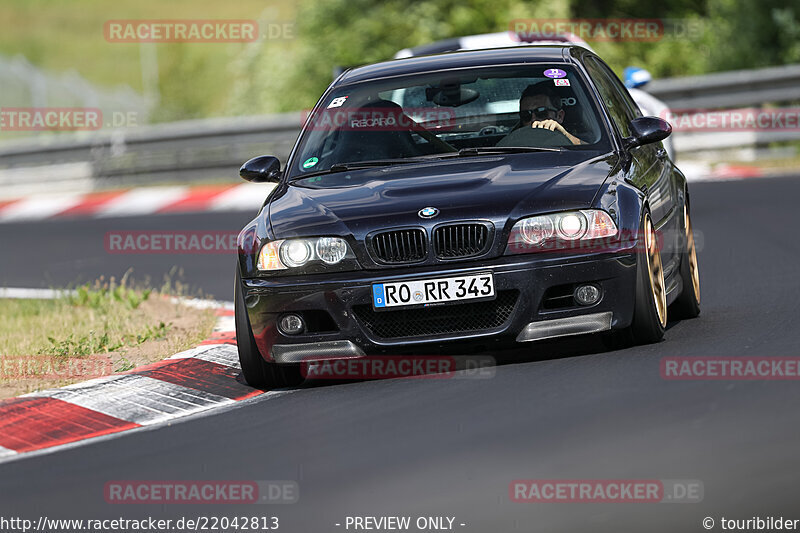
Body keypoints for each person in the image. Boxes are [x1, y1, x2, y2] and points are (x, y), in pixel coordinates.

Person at [518, 81, 583, 145]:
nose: (533, 120)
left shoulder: (583, 136)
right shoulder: (513, 143)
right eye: (526, 115)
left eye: (541, 112)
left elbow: (590, 149)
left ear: (559, 116)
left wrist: (565, 136)